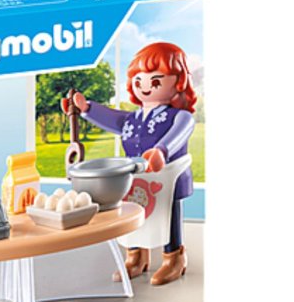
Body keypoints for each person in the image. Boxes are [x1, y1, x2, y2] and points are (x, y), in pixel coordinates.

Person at [62, 42, 197, 285]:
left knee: (168, 216)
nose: (145, 86)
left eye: (155, 81)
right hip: (136, 176)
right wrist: (86, 109)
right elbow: (113, 118)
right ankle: (135, 255)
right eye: (138, 80)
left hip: (167, 175)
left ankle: (174, 257)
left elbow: (178, 134)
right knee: (132, 212)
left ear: (178, 82)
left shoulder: (180, 116)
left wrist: (161, 151)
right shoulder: (133, 119)